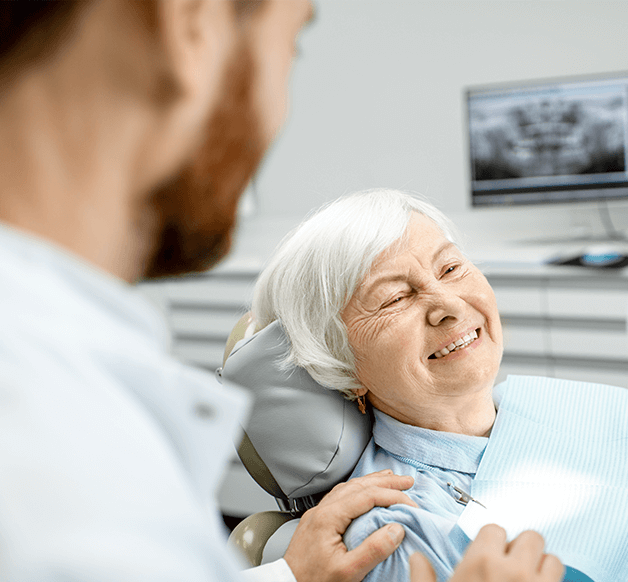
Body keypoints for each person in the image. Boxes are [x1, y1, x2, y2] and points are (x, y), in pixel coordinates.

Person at [0, 2, 560, 581]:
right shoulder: (48, 440)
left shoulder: (62, 394)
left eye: (450, 269)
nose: (445, 305)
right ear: (188, 22)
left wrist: (288, 575)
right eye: (292, 43)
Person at [252, 189, 566, 582]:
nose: (449, 304)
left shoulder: (560, 414)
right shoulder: (392, 533)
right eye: (395, 298)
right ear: (343, 368)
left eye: (450, 268)